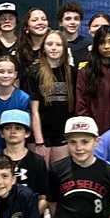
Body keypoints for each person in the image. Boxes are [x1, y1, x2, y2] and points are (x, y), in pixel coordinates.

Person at [27, 29, 75, 163]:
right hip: (41, 133)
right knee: (42, 174)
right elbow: (34, 110)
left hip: (62, 133)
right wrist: (39, 141)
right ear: (43, 48)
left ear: (65, 49)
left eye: (58, 45)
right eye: (50, 44)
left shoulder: (71, 72)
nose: (54, 48)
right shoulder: (34, 72)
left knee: (59, 174)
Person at [0, 56, 31, 154]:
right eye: (1, 71)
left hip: (14, 149)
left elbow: (23, 130)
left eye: (10, 72)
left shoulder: (23, 98)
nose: (5, 75)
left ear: (15, 75)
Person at [14, 7, 51, 78]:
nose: (40, 23)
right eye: (35, 20)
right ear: (26, 27)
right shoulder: (19, 52)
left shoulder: (55, 48)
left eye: (44, 19)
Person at [58, 0, 89, 66]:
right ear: (60, 23)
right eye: (68, 19)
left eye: (76, 19)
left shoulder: (87, 45)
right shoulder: (55, 44)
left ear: (80, 22)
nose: (72, 22)